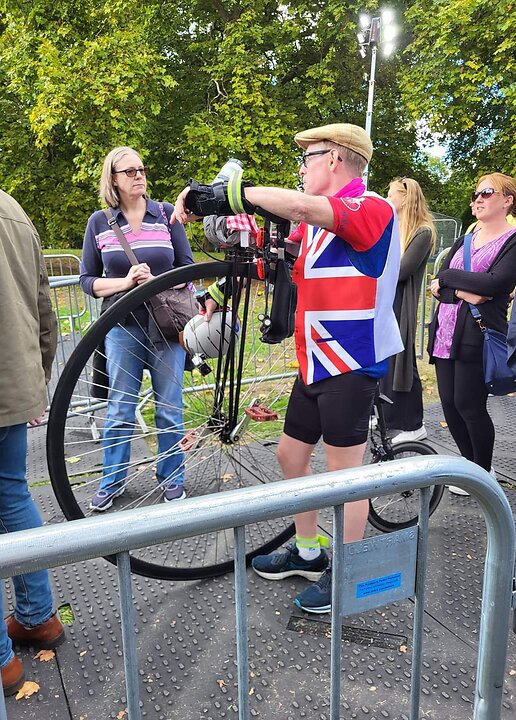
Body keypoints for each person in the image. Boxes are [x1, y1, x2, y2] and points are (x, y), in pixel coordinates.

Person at [172, 123, 402, 613]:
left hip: (351, 362)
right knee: (291, 457)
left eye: (309, 158)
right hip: (316, 360)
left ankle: (350, 571)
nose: (301, 169)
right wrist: (216, 294)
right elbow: (274, 264)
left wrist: (227, 195)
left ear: (336, 159)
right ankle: (307, 551)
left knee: (346, 478)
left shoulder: (371, 207)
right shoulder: (316, 226)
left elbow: (297, 205)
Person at [79, 146, 194, 510]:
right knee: (120, 409)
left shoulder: (166, 214)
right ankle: (112, 481)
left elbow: (188, 269)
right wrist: (125, 282)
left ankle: (172, 477)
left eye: (142, 169)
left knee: (169, 409)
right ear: (112, 178)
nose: (139, 176)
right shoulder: (99, 222)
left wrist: (157, 280)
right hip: (122, 326)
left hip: (165, 326)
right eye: (129, 171)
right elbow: (87, 280)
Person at [0, 179, 66, 695]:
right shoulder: (9, 205)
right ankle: (39, 617)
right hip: (12, 386)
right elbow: (44, 309)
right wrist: (33, 382)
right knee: (13, 497)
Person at [428, 172, 516, 496]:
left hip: (478, 335)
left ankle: (483, 474)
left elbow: (494, 285)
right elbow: (440, 281)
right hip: (445, 332)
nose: (478, 199)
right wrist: (463, 289)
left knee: (470, 406)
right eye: (476, 194)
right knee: (450, 407)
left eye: (486, 192)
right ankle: (469, 467)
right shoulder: (467, 239)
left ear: (507, 200)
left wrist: (451, 281)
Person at [381, 177, 435, 444]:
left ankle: (413, 422)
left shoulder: (422, 232)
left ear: (405, 198)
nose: (388, 198)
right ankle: (388, 415)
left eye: (391, 194)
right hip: (385, 299)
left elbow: (402, 271)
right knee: (386, 359)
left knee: (403, 361)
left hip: (401, 302)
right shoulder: (394, 227)